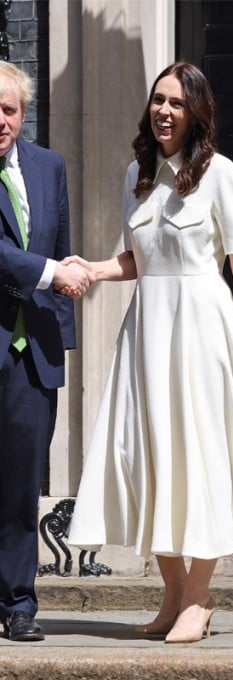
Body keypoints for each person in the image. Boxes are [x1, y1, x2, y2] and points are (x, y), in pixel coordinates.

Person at [66, 61, 233, 644]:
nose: (164, 111)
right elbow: (135, 259)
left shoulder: (221, 173)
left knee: (199, 456)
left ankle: (201, 598)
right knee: (147, 455)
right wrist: (90, 270)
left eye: (177, 103)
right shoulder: (138, 172)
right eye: (159, 100)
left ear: (196, 113)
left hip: (203, 327)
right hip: (147, 331)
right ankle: (173, 594)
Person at [0, 61, 92, 642]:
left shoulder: (48, 165)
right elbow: (49, 265)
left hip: (32, 355)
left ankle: (18, 603)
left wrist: (62, 342)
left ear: (23, 113)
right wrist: (53, 272)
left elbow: (60, 244)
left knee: (20, 487)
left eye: (8, 109)